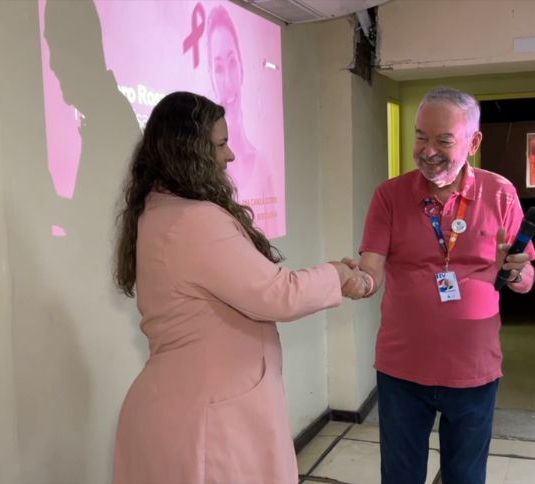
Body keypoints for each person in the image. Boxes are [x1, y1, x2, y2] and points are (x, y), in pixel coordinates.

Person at [111, 91, 360, 484]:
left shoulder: (159, 211)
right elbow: (278, 294)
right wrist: (337, 275)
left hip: (188, 406)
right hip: (207, 419)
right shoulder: (194, 221)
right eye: (221, 144)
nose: (229, 156)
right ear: (189, 151)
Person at [345, 86, 535, 484]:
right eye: (420, 136)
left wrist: (516, 270)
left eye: (443, 140)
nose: (427, 150)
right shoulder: (389, 196)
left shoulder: (499, 193)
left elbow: (526, 279)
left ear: (474, 141)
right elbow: (371, 271)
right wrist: (357, 281)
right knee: (400, 476)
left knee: (465, 477)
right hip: (402, 371)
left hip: (474, 370)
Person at [206, 5, 278, 234]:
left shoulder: (263, 164)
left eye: (232, 63)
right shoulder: (199, 203)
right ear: (210, 75)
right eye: (218, 68)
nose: (227, 80)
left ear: (242, 68)